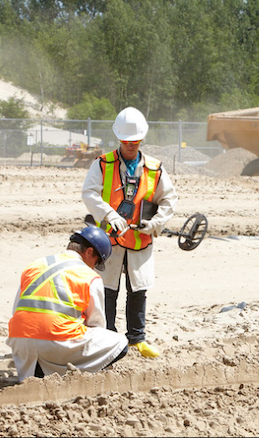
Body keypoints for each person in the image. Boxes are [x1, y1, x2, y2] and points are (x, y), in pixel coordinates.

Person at [81, 106, 178, 358]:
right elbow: (89, 193)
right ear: (119, 139)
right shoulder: (103, 164)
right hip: (109, 241)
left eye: (135, 141)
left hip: (140, 239)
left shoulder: (155, 168)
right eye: (126, 142)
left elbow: (168, 199)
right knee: (108, 290)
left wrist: (156, 223)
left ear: (142, 139)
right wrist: (109, 215)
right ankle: (109, 337)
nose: (131, 146)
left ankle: (137, 340)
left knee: (138, 290)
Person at [6, 227, 129, 382]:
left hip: (20, 340)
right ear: (89, 252)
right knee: (120, 343)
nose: (94, 267)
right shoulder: (89, 276)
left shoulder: (35, 265)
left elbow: (17, 308)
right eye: (96, 262)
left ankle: (39, 368)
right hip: (55, 343)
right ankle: (67, 371)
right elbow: (97, 325)